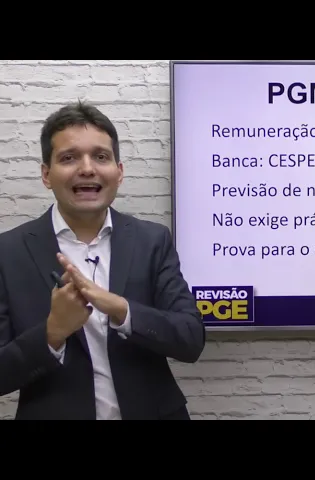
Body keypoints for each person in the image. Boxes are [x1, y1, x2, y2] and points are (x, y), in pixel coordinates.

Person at [0, 100, 205, 420]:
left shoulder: (152, 241)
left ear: (118, 172)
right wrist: (53, 331)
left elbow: (190, 339)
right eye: (68, 158)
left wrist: (120, 309)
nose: (87, 168)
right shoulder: (8, 252)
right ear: (46, 174)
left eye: (100, 156)